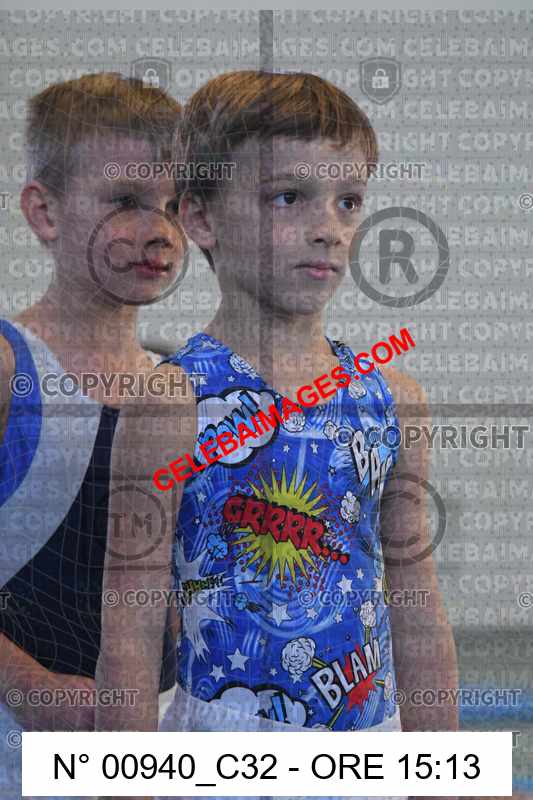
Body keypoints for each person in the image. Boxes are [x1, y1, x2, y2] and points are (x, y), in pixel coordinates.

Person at [97, 70, 459, 800]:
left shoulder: (392, 400)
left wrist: (445, 775)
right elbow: (130, 626)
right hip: (219, 752)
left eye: (348, 201)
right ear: (201, 219)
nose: (329, 227)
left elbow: (415, 601)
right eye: (288, 197)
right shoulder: (172, 402)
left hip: (370, 745)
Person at [0, 72, 188, 800]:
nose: (157, 230)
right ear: (45, 212)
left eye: (174, 205)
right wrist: (29, 685)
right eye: (125, 201)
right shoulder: (11, 366)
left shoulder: (179, 388)